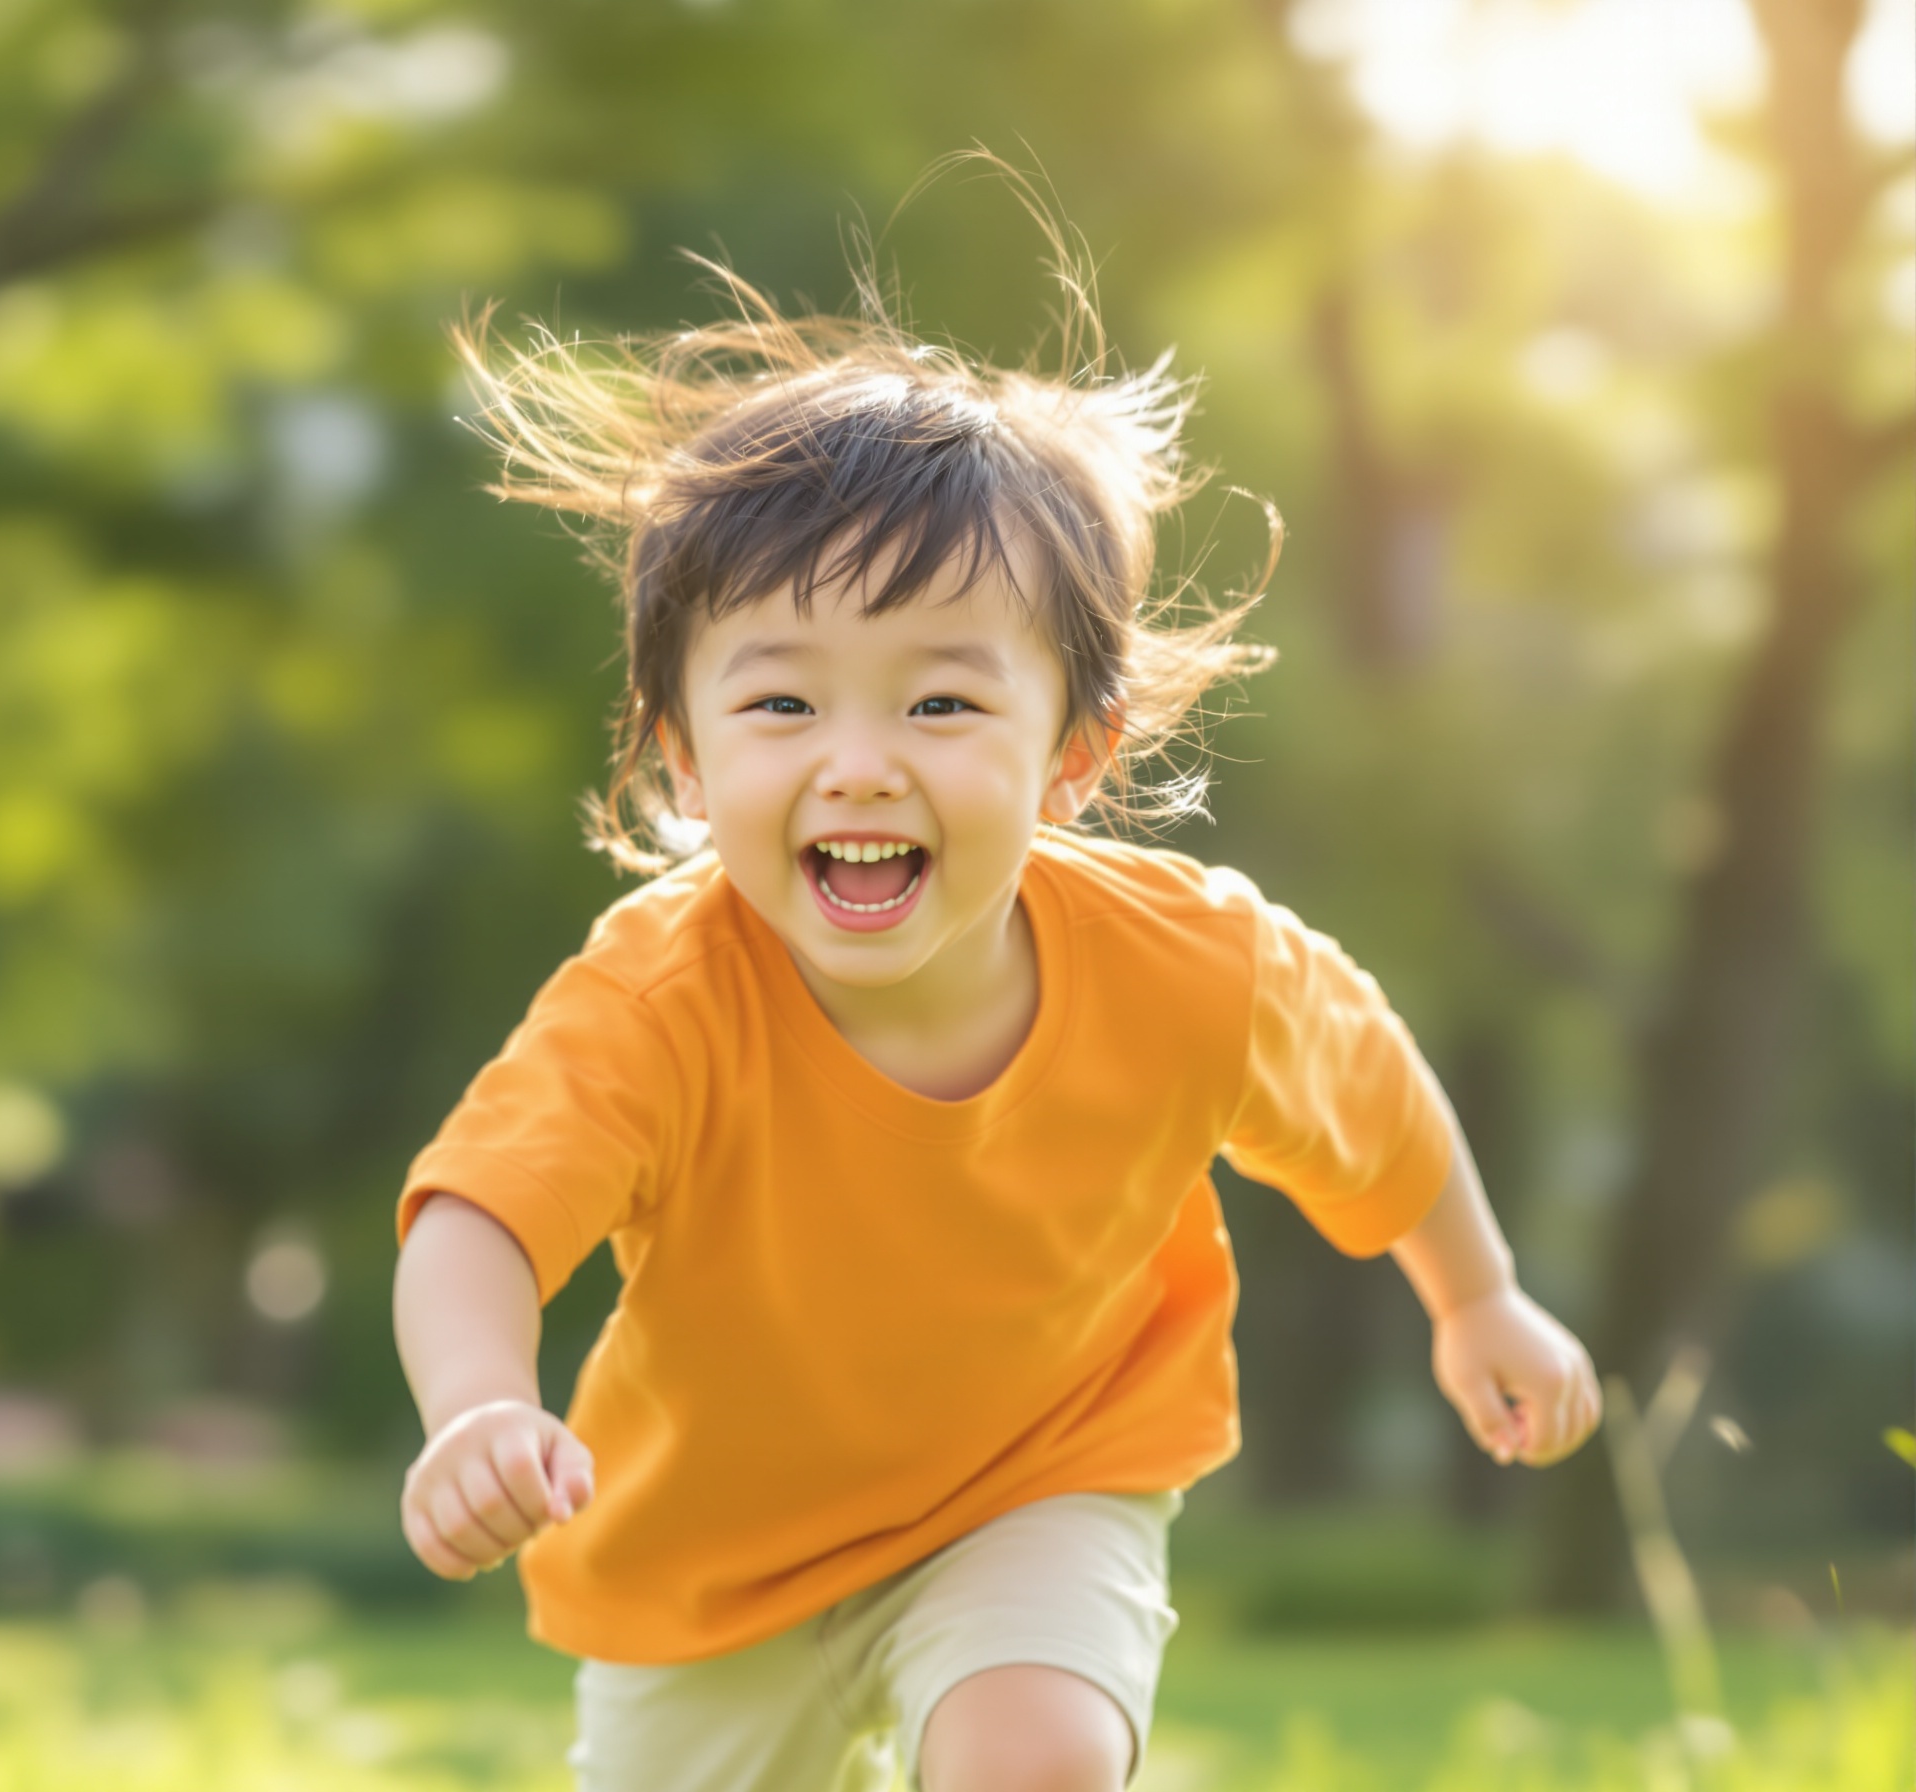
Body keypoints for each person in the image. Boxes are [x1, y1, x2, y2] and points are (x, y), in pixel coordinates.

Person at [390, 191, 1601, 1792]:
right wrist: (476, 1406)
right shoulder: (657, 1000)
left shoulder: (1192, 967)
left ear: (1075, 753)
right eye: (782, 702)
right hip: (709, 1558)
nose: (861, 762)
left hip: (1049, 1465)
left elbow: (1372, 1099)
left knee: (1033, 1759)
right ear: (685, 755)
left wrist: (1478, 1297)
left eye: (946, 697)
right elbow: (482, 1213)